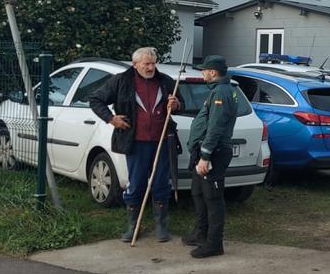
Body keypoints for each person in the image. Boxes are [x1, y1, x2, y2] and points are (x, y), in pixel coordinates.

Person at [90, 47, 181, 243]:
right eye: (146, 64)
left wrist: (176, 105)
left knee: (161, 183)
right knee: (136, 183)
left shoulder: (165, 81)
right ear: (135, 64)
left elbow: (181, 104)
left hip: (161, 140)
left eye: (153, 63)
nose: (150, 67)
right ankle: (133, 226)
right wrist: (111, 119)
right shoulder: (121, 81)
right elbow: (95, 99)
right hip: (136, 142)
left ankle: (161, 226)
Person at [183, 55, 238, 258]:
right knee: (198, 192)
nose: (202, 73)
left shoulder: (221, 93)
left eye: (204, 70)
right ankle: (201, 233)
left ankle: (214, 243)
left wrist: (205, 156)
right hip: (204, 151)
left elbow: (215, 127)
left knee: (212, 198)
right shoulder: (217, 90)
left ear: (213, 72)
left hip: (214, 153)